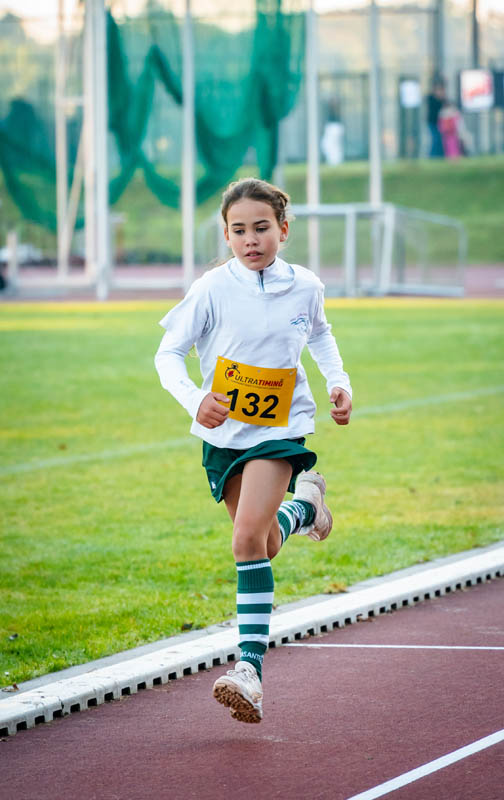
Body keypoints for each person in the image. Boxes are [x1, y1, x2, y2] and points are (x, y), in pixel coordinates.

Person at [154, 177, 352, 724]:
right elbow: (168, 354)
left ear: (283, 230)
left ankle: (249, 670)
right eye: (238, 230)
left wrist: (339, 382)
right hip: (223, 436)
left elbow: (320, 334)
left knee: (244, 540)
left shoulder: (305, 285)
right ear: (226, 235)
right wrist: (195, 400)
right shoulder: (211, 289)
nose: (251, 240)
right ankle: (305, 508)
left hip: (281, 427)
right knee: (262, 542)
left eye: (261, 228)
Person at [426, 77, 446, 158]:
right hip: (433, 122)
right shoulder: (431, 98)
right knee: (436, 139)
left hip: (441, 123)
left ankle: (440, 155)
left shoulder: (442, 99)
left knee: (440, 139)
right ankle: (433, 156)